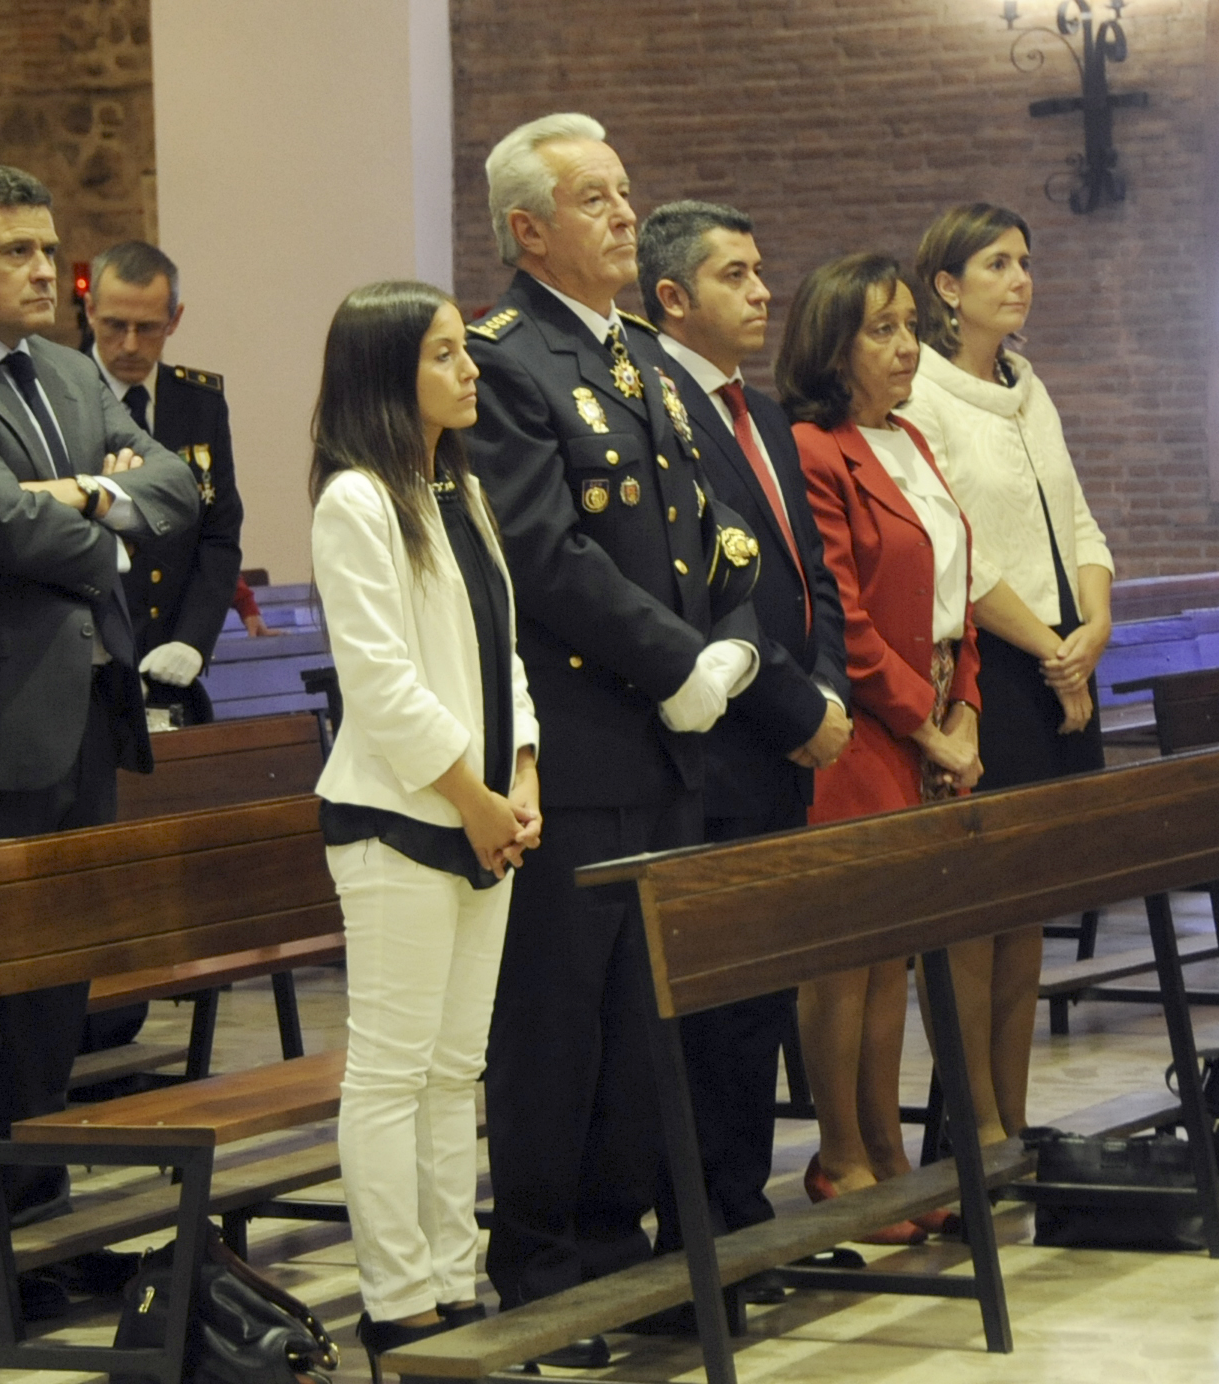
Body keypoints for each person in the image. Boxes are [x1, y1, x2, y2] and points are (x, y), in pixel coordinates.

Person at [467, 112, 758, 1368]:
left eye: (625, 192)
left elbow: (721, 529)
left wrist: (730, 648)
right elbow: (544, 554)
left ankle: (620, 1251)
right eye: (596, 199)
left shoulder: (639, 354)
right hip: (580, 747)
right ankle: (541, 1271)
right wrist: (675, 660)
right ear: (528, 230)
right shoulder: (507, 361)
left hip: (670, 745)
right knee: (557, 1026)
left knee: (644, 1027)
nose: (627, 214)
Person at [0, 163, 198, 1313]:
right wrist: (102, 521)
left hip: (85, 712)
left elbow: (174, 486)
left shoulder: (66, 368)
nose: (39, 273)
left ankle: (36, 1217)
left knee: (55, 977)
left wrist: (91, 496)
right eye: (13, 252)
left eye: (45, 251)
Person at [307, 279, 540, 1377]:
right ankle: (397, 1304)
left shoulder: (460, 489)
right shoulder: (355, 501)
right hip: (398, 818)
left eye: (464, 349)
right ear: (387, 374)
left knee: (457, 1070)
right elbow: (382, 684)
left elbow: (502, 652)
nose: (469, 368)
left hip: (483, 811)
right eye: (444, 353)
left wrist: (522, 769)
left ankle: (455, 1284)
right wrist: (476, 796)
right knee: (393, 1074)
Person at [634, 200, 850, 1277]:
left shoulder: (758, 412)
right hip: (716, 743)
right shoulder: (652, 403)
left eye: (761, 270)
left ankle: (741, 1214)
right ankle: (698, 1235)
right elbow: (709, 596)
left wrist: (830, 688)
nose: (763, 291)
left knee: (760, 994)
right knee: (708, 1012)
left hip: (782, 747)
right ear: (673, 297)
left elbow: (808, 576)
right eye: (736, 274)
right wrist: (796, 709)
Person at [776, 252, 982, 1243]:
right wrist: (925, 722)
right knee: (845, 960)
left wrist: (966, 706)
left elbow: (956, 586)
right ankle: (840, 1156)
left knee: (893, 955)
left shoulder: (911, 440)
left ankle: (891, 1153)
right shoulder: (815, 449)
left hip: (932, 720)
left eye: (910, 326)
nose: (907, 347)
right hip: (863, 733)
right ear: (832, 345)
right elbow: (842, 617)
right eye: (883, 330)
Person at [904, 202, 1114, 1140]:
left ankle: (1015, 1123)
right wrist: (1049, 648)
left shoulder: (1029, 387)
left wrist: (1093, 628)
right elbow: (955, 547)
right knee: (974, 909)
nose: (1020, 279)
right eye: (996, 264)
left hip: (1062, 658)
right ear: (947, 287)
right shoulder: (925, 393)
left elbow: (1077, 522)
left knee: (1029, 908)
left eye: (1024, 261)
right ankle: (975, 1129)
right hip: (990, 669)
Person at [85, 240, 245, 726]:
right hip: (88, 672)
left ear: (174, 320)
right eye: (115, 325)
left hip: (172, 671)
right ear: (90, 311)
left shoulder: (200, 402)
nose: (131, 344)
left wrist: (193, 641)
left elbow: (219, 534)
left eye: (148, 327)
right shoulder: (61, 396)